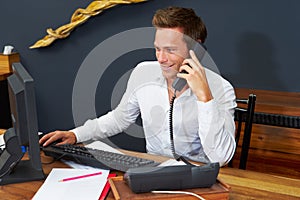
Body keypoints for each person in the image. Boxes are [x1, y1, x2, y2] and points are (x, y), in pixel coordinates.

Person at [39, 6, 237, 166]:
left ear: (197, 49)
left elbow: (221, 158)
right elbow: (119, 119)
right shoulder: (143, 72)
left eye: (170, 50)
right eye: (157, 49)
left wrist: (205, 98)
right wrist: (76, 134)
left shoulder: (221, 89)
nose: (161, 59)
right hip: (152, 171)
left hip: (200, 180)